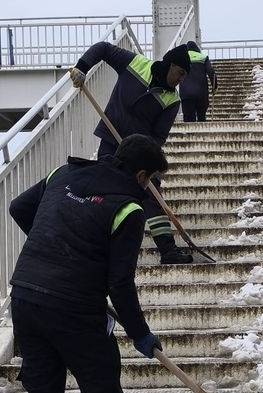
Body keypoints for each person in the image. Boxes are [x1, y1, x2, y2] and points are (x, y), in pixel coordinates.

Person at [8, 134, 167, 393]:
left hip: (25, 297)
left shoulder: (62, 174)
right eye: (151, 179)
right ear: (141, 176)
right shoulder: (128, 208)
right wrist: (140, 333)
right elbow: (119, 282)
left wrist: (53, 248)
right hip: (75, 309)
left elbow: (19, 207)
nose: (150, 186)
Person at [70, 41, 194, 264]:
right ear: (171, 64)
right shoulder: (136, 64)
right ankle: (98, 248)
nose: (181, 79)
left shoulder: (172, 99)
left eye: (184, 76)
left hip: (141, 152)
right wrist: (82, 67)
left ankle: (168, 250)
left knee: (152, 194)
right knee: (105, 193)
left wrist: (147, 157)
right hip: (111, 140)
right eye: (181, 73)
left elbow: (159, 136)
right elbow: (104, 49)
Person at [179, 40, 217, 122]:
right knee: (201, 117)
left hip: (186, 93)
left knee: (188, 119)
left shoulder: (182, 57)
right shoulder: (203, 57)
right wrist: (214, 87)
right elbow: (211, 72)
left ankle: (189, 134)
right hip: (201, 93)